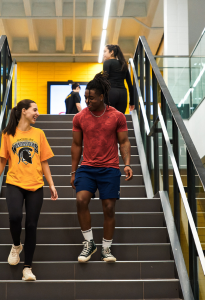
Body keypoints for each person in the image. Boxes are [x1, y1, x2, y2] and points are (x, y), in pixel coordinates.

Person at [0, 99, 58, 281]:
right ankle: (16, 245)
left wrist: (51, 184)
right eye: (34, 110)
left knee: (31, 226)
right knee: (15, 217)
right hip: (14, 183)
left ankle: (27, 268)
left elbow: (44, 161)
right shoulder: (8, 134)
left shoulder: (40, 134)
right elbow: (2, 160)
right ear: (23, 111)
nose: (37, 113)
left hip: (36, 185)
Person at [70, 72, 133, 263]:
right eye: (85, 97)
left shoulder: (117, 116)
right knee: (81, 200)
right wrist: (73, 170)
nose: (87, 101)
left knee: (109, 208)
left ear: (102, 96)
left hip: (110, 168)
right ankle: (89, 244)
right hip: (87, 167)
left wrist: (127, 164)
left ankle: (106, 248)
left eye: (92, 98)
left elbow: (124, 142)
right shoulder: (80, 117)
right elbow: (76, 145)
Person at [103, 44, 134, 114]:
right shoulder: (123, 64)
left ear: (112, 52)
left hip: (111, 93)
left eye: (105, 51)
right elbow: (130, 85)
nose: (103, 54)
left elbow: (104, 80)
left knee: (108, 119)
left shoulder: (107, 63)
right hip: (123, 94)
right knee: (119, 120)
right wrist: (132, 102)